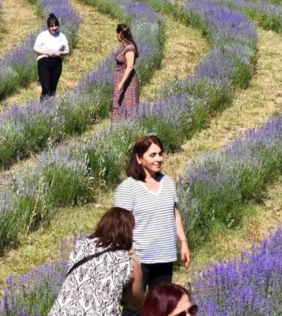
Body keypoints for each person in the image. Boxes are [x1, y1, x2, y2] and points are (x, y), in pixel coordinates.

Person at [114, 135, 191, 316]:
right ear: (139, 159)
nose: (159, 159)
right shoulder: (128, 188)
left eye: (160, 154)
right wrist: (131, 254)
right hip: (139, 260)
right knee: (134, 309)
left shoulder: (168, 182)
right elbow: (120, 225)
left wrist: (184, 242)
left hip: (164, 257)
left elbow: (175, 215)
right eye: (153, 155)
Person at [48, 207, 145, 315]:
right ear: (129, 232)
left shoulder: (81, 246)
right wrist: (137, 263)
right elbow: (136, 302)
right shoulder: (127, 260)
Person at [34, 14, 70, 101]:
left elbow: (67, 51)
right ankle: (42, 109)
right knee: (46, 89)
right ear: (48, 26)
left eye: (56, 26)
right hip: (44, 62)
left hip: (56, 63)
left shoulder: (62, 36)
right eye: (51, 26)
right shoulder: (42, 35)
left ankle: (51, 109)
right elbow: (35, 49)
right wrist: (47, 52)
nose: (54, 28)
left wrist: (59, 53)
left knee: (53, 90)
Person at [112, 24, 140, 122]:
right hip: (120, 79)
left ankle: (128, 130)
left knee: (128, 106)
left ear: (120, 34)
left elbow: (130, 67)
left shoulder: (130, 48)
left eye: (117, 33)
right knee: (119, 104)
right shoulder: (123, 46)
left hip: (128, 82)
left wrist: (122, 83)